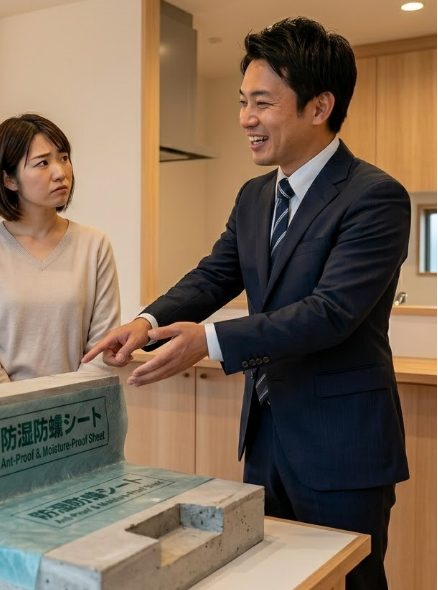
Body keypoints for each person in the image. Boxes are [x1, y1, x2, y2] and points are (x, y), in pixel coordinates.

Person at [83, 17, 409, 590]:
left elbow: (330, 312)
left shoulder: (374, 196)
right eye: (242, 102)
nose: (245, 119)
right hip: (265, 440)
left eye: (263, 103)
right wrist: (147, 321)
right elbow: (216, 275)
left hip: (342, 447)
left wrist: (209, 341)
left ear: (319, 106)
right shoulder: (256, 196)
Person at [0, 113, 121, 385]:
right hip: (2, 409)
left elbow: (102, 348)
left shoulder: (95, 245)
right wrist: (20, 405)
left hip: (80, 407)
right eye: (43, 163)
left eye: (63, 158)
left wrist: (68, 405)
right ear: (9, 179)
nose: (60, 172)